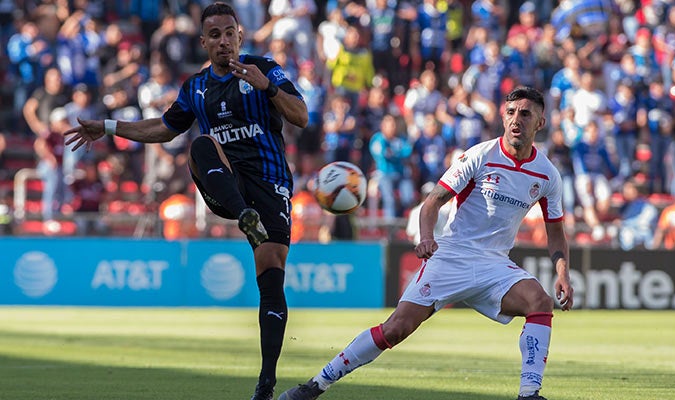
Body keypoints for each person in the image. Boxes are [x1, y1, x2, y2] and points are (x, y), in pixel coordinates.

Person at [63, 3, 309, 400]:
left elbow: (301, 116)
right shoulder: (194, 87)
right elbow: (163, 128)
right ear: (204, 43)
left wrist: (269, 87)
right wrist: (108, 127)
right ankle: (243, 213)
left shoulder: (264, 68)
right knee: (200, 144)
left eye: (230, 33)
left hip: (270, 180)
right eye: (215, 35)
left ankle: (266, 382)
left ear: (240, 36)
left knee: (271, 269)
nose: (224, 41)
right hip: (226, 183)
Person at [278, 87, 574, 400]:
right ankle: (316, 385)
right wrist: (427, 237)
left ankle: (529, 393)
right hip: (452, 256)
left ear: (540, 122)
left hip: (495, 264)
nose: (517, 120)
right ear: (503, 116)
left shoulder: (546, 174)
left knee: (539, 302)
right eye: (511, 112)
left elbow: (555, 231)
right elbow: (433, 202)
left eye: (525, 114)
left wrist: (563, 273)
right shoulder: (480, 155)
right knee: (395, 329)